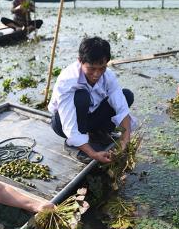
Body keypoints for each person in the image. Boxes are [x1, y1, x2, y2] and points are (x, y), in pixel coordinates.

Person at [48, 36, 137, 164]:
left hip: (89, 117)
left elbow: (121, 107)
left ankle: (97, 133)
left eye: (102, 68)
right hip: (62, 123)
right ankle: (73, 145)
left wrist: (125, 138)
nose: (97, 74)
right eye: (91, 69)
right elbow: (69, 126)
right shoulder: (68, 80)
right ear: (80, 61)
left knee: (126, 95)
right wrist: (93, 154)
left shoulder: (108, 75)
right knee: (82, 97)